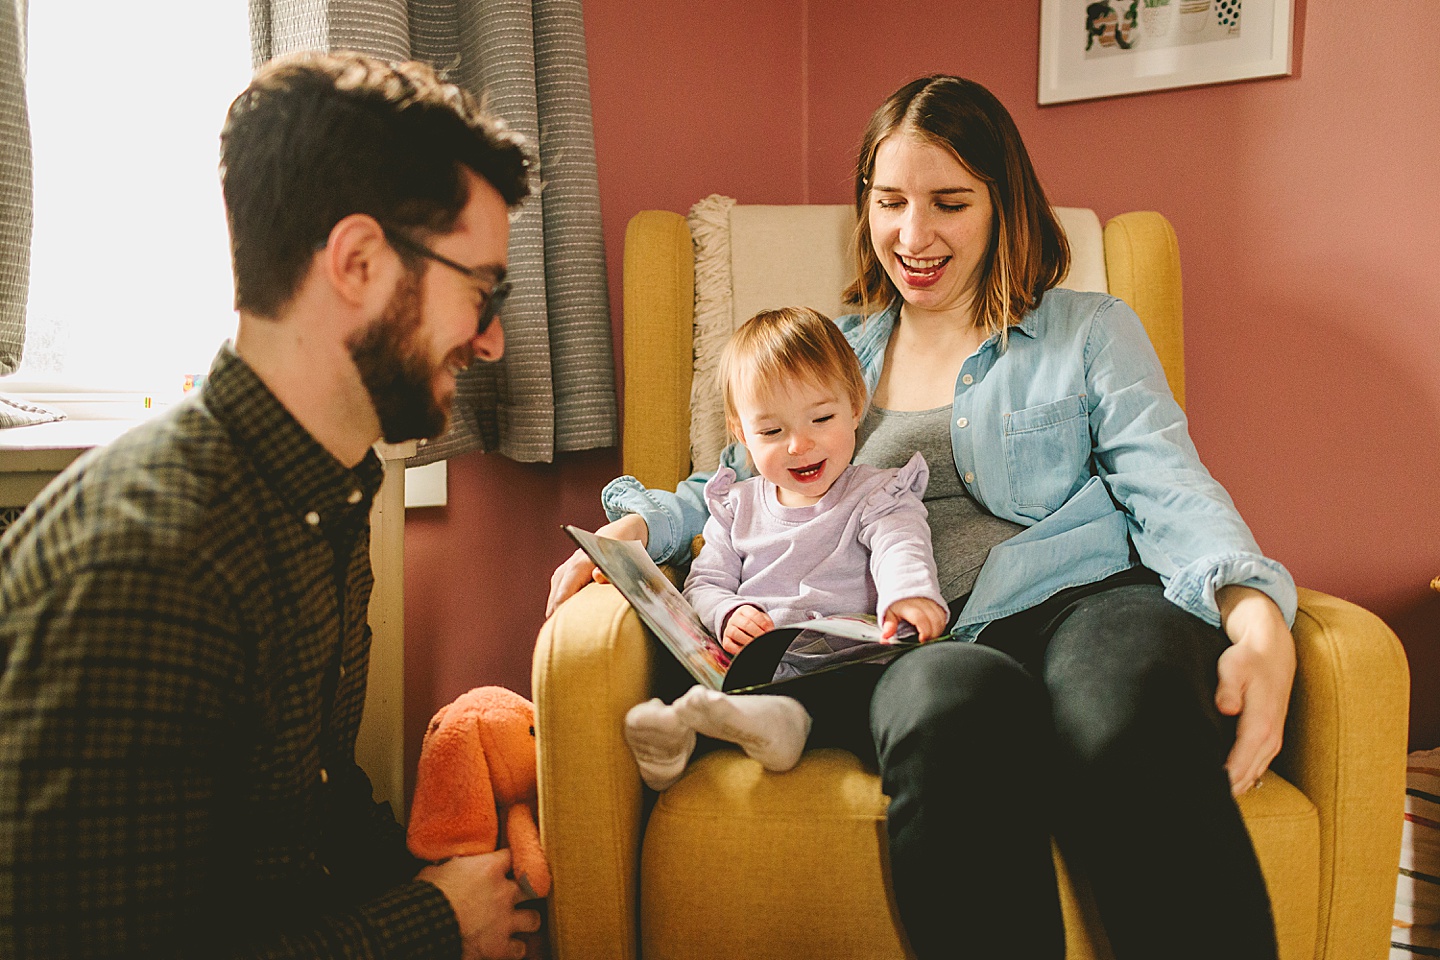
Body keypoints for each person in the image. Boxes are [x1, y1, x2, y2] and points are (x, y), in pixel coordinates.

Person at [548, 74, 1296, 960]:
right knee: (948, 714)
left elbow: (1165, 481)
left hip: (1090, 599)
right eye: (889, 200)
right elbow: (730, 480)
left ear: (1003, 201)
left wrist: (1252, 613)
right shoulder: (836, 346)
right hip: (923, 640)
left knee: (1119, 721)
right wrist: (638, 529)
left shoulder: (1089, 329)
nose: (913, 234)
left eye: (949, 201)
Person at [0, 52, 541, 960]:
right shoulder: (151, 566)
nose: (489, 340)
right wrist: (432, 924)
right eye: (481, 291)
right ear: (359, 262)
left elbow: (307, 815)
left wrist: (460, 878)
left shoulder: (321, 495)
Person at [623, 306, 947, 792]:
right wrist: (729, 614)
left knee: (881, 689)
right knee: (687, 668)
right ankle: (674, 743)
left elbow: (900, 545)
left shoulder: (878, 493)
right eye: (772, 432)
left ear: (855, 405)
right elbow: (705, 583)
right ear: (740, 432)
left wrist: (909, 595)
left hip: (839, 665)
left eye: (822, 417)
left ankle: (779, 724)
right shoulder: (734, 505)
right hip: (757, 665)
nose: (799, 444)